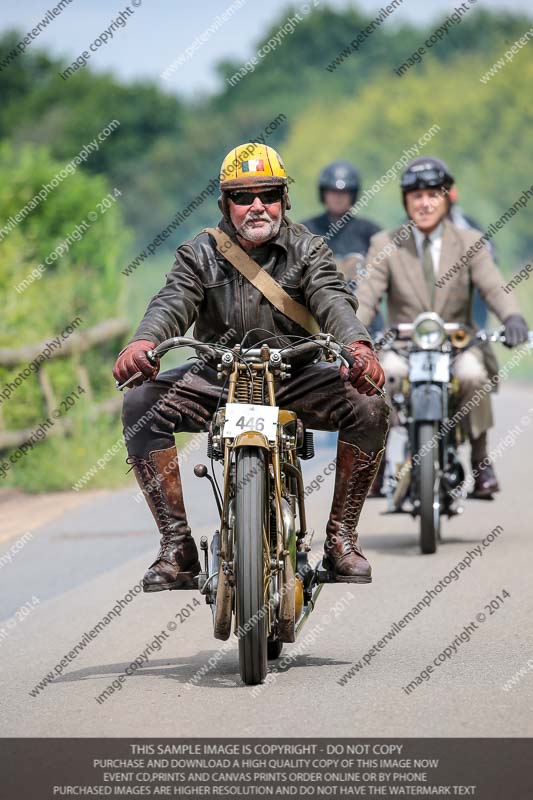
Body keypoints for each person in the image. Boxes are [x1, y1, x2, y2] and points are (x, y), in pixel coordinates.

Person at [113, 143, 389, 591]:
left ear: (285, 199)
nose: (257, 206)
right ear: (226, 204)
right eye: (243, 196)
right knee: (140, 403)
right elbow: (173, 301)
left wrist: (357, 346)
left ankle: (341, 540)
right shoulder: (199, 253)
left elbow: (332, 298)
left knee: (369, 405)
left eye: (269, 194)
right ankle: (177, 546)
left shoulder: (308, 249)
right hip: (218, 378)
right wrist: (144, 342)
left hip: (295, 376)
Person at [356, 157, 528, 499]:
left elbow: (494, 288)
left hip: (457, 346)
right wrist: (354, 334)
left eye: (433, 194)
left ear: (448, 197)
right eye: (416, 196)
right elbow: (367, 297)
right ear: (405, 201)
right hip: (403, 347)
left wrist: (513, 318)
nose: (425, 203)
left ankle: (481, 463)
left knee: (473, 376)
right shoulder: (384, 244)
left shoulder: (470, 242)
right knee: (381, 375)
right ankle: (377, 467)